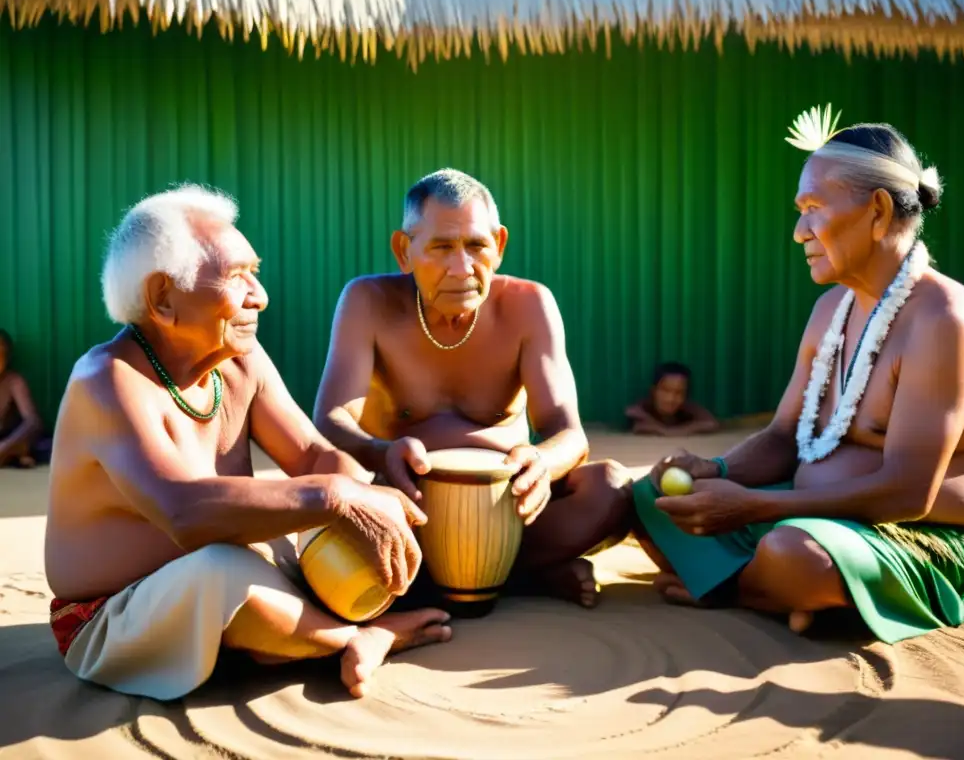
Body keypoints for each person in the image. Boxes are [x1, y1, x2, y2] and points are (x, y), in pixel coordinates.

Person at [43, 185, 452, 702]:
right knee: (221, 572)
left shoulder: (240, 359)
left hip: (234, 567)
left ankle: (288, 634)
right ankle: (354, 638)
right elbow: (183, 512)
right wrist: (335, 498)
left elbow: (312, 454)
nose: (260, 296)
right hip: (114, 615)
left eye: (253, 273)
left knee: (293, 538)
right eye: (237, 277)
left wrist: (358, 499)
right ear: (163, 299)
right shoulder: (106, 380)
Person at [632, 107, 964, 644]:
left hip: (909, 539)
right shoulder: (832, 308)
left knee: (795, 555)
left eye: (812, 209)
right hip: (803, 516)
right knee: (651, 497)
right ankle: (789, 596)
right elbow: (784, 438)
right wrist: (714, 468)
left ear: (877, 210)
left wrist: (754, 506)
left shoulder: (944, 318)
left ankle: (746, 587)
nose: (798, 230)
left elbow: (908, 494)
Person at [313, 168, 634, 609]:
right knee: (336, 515)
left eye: (476, 246)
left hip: (507, 511)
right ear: (404, 251)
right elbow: (330, 421)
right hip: (410, 513)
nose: (462, 267)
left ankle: (459, 578)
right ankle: (525, 576)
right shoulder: (368, 302)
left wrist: (541, 461)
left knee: (610, 489)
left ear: (499, 246)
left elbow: (569, 432)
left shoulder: (529, 305)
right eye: (441, 247)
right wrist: (380, 451)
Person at [625, 361, 720, 436]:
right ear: (653, 391)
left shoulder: (687, 408)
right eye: (665, 390)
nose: (671, 399)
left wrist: (669, 432)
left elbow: (711, 423)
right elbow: (633, 415)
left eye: (679, 393)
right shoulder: (643, 408)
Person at [0, 329, 50, 468]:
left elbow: (33, 422)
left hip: (7, 440)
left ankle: (14, 455)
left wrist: (6, 447)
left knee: (49, 446)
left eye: (1, 354)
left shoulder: (13, 381)